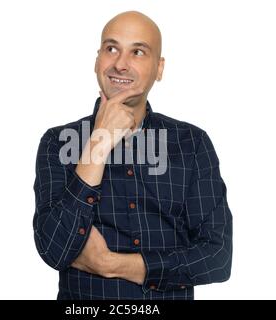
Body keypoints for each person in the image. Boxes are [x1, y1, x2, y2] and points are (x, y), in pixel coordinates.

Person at [33, 11, 233, 300]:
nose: (120, 64)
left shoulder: (192, 143)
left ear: (159, 68)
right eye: (111, 48)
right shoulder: (57, 143)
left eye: (138, 52)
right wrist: (99, 142)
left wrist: (113, 264)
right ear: (97, 60)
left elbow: (217, 258)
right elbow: (54, 248)